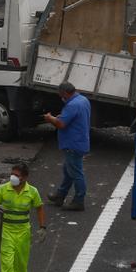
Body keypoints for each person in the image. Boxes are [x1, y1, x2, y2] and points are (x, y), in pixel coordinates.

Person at [0, 163, 46, 272]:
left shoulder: (32, 192)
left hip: (23, 233)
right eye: (12, 173)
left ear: (25, 177)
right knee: (7, 264)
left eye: (17, 175)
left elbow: (39, 207)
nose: (13, 177)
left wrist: (42, 227)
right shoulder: (3, 189)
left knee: (20, 264)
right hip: (6, 231)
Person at [43, 82, 91, 211]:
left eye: (61, 95)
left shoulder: (72, 105)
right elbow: (73, 118)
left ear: (65, 93)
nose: (61, 97)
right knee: (68, 171)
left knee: (76, 173)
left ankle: (79, 201)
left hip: (73, 144)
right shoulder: (83, 100)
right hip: (80, 141)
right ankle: (60, 195)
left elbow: (61, 124)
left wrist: (50, 118)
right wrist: (61, 117)